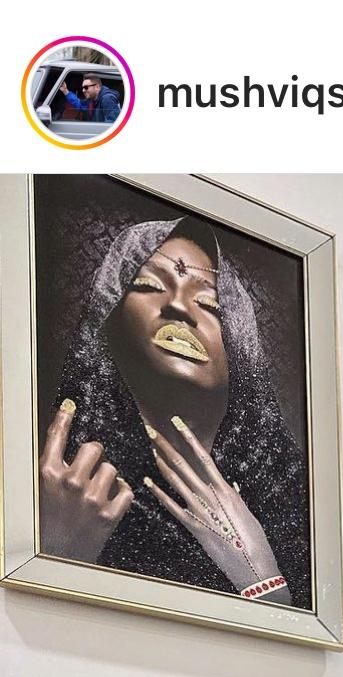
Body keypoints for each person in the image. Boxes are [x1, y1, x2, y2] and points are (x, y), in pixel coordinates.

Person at [39, 213, 310, 607]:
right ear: (111, 317)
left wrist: (262, 577)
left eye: (210, 305)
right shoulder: (65, 482)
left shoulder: (288, 496)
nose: (179, 306)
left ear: (240, 348)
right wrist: (57, 549)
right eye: (149, 285)